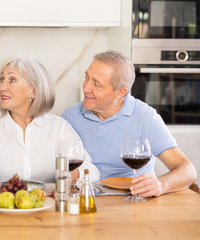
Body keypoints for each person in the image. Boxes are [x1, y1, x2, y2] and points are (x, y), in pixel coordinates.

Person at [62, 50, 197, 197]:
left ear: (120, 93)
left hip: (132, 202)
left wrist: (161, 185)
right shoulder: (70, 116)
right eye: (86, 78)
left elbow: (187, 171)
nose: (86, 88)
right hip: (84, 201)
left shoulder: (145, 117)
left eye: (97, 84)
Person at [0, 56, 100, 190]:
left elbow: (91, 171)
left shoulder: (59, 127)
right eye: (2, 80)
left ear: (33, 91)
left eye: (11, 80)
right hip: (6, 207)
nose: (1, 87)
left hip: (51, 207)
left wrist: (72, 176)